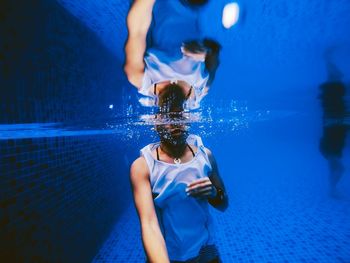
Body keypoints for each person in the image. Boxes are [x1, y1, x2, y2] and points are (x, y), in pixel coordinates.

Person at [129, 86, 228, 262]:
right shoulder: (143, 167)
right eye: (168, 115)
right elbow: (149, 225)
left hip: (207, 252)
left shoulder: (206, 155)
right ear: (155, 122)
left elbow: (223, 204)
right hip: (168, 256)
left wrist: (213, 193)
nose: (175, 122)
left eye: (180, 114)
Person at [124, 0, 220, 110]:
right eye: (179, 123)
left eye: (165, 126)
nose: (174, 116)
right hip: (192, 5)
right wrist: (205, 52)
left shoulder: (140, 77)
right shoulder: (202, 87)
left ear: (156, 119)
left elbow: (137, 31)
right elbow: (215, 49)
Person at [319, 47, 348, 197]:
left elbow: (332, 123)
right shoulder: (331, 148)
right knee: (334, 80)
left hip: (333, 109)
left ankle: (327, 57)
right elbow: (334, 124)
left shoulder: (331, 147)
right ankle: (332, 190)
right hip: (333, 110)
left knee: (334, 79)